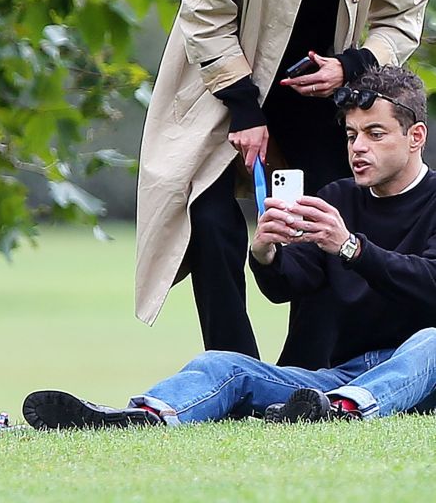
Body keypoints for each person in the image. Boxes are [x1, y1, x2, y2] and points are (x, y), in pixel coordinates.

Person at [135, 0, 428, 365]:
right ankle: (233, 363)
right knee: (211, 218)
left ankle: (304, 372)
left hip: (322, 100)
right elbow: (204, 7)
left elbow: (404, 14)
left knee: (324, 218)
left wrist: (353, 65)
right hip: (226, 88)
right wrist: (245, 108)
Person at [24, 67, 436, 429]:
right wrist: (266, 252)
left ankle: (347, 409)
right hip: (343, 377)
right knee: (220, 364)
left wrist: (349, 247)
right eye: (351, 135)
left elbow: (428, 283)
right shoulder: (338, 197)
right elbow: (288, 286)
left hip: (424, 373)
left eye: (375, 134)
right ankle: (143, 415)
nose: (358, 147)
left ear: (415, 136)